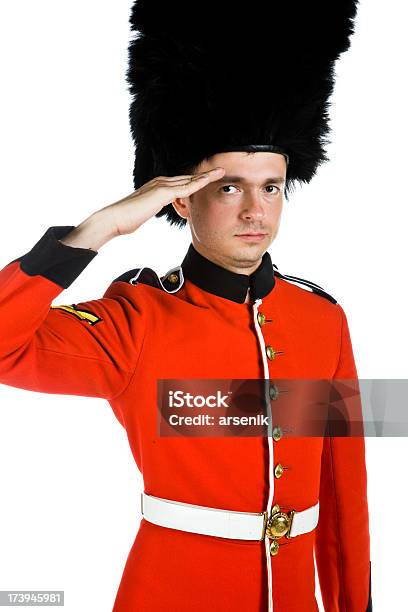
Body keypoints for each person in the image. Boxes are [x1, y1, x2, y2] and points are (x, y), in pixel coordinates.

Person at [0, 0, 372, 610]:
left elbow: (342, 491)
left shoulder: (321, 319)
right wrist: (99, 228)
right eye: (228, 186)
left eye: (271, 187)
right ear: (178, 198)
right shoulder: (136, 320)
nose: (256, 211)